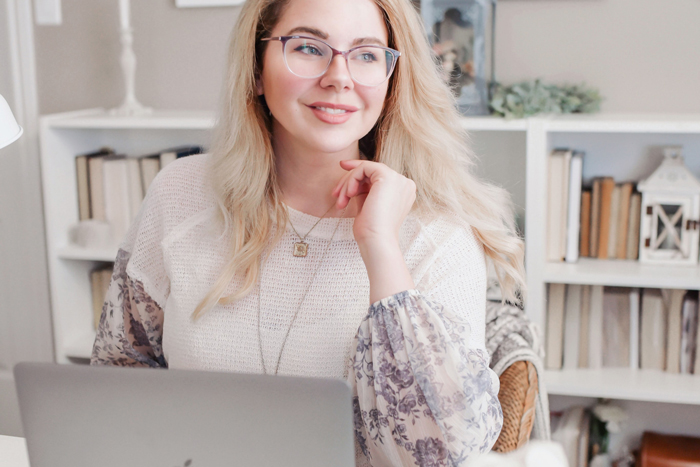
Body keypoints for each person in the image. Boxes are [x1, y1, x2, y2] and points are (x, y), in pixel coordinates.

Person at [91, 0, 526, 465]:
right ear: (256, 70)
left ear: (391, 81)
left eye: (366, 54)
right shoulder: (179, 194)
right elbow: (121, 373)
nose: (339, 76)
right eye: (307, 47)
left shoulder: (439, 234)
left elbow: (439, 454)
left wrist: (380, 246)